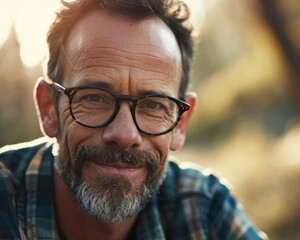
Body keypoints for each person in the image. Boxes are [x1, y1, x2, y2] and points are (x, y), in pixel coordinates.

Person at [0, 0, 267, 239]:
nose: (125, 135)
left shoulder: (203, 208)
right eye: (94, 98)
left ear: (180, 123)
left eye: (153, 105)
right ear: (49, 108)